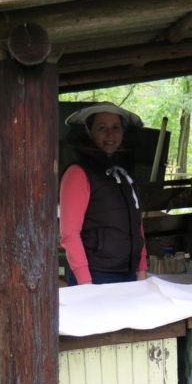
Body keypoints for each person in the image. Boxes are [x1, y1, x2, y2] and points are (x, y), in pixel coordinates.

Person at [59, 102, 148, 285]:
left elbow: (136, 223)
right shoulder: (78, 173)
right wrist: (85, 282)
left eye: (116, 127)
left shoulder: (123, 174)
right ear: (89, 132)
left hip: (128, 274)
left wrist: (141, 268)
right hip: (94, 277)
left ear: (123, 132)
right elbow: (69, 233)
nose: (110, 134)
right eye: (102, 128)